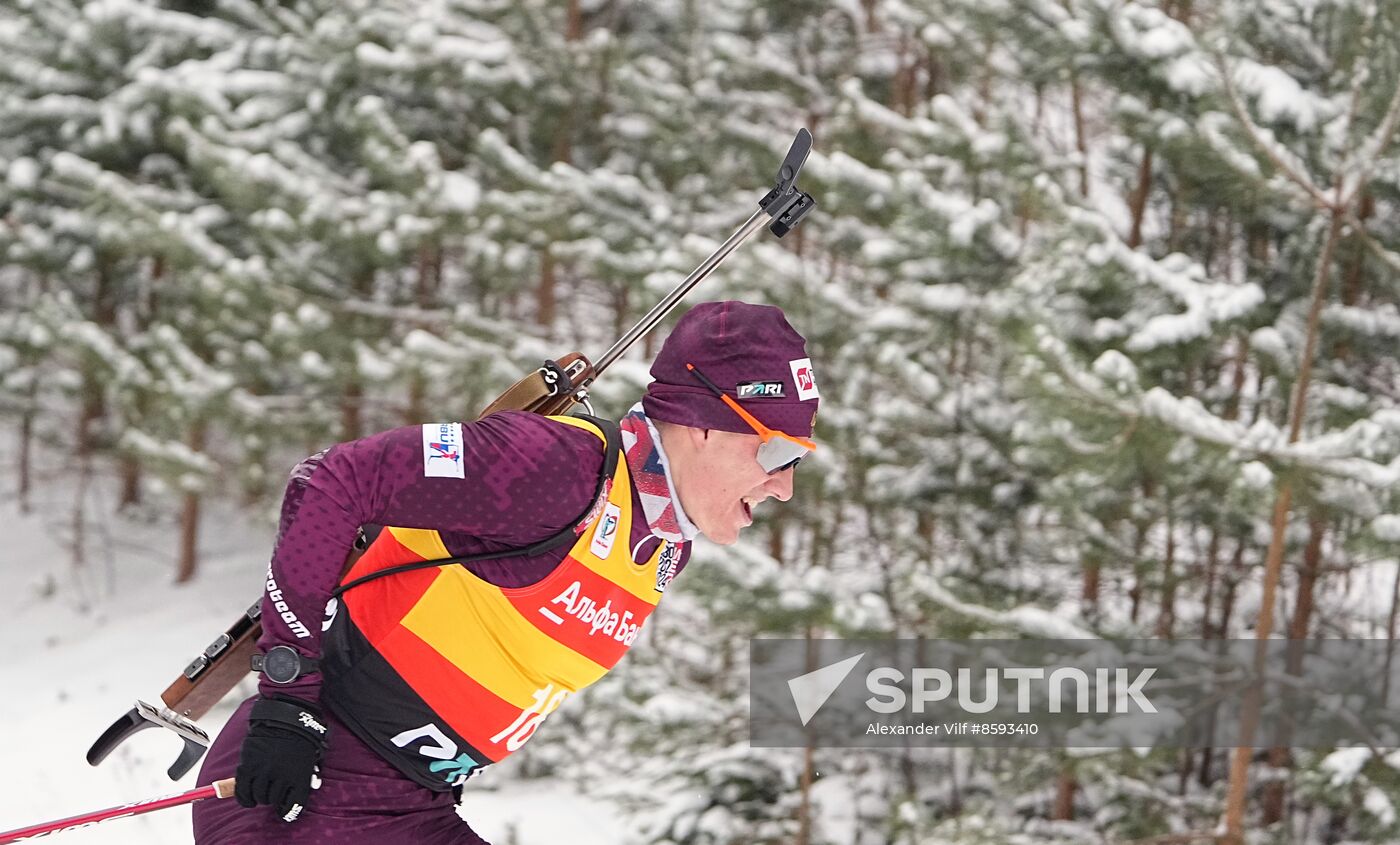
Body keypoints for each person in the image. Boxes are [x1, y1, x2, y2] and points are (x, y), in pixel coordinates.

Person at [191, 301, 821, 843]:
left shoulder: (661, 543)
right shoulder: (554, 470)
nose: (785, 487)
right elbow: (332, 479)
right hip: (299, 791)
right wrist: (286, 696)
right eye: (776, 451)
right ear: (702, 423)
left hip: (407, 808)